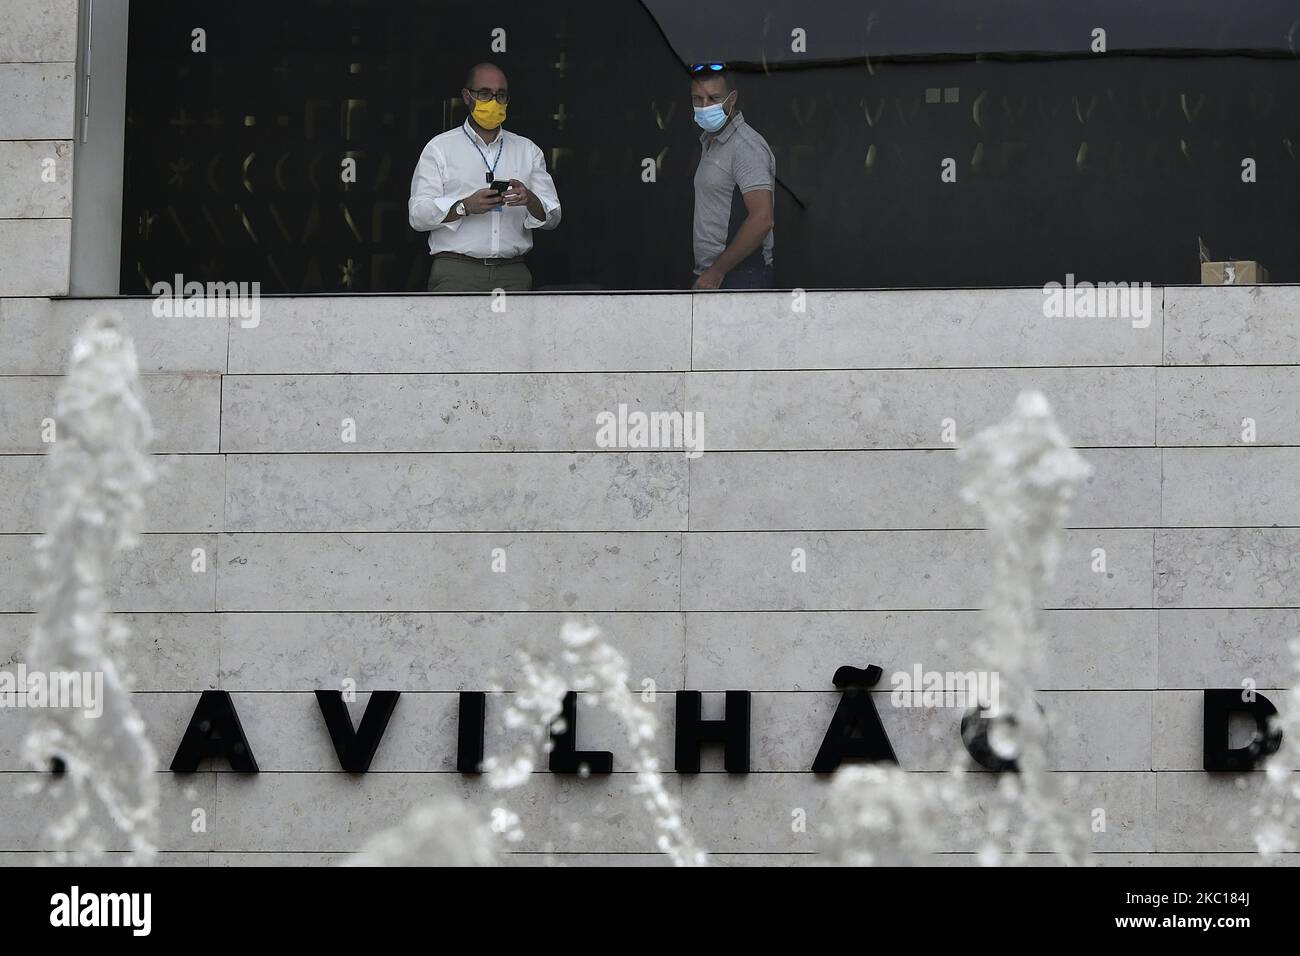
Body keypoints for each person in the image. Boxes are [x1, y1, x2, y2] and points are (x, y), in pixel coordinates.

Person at [408, 63, 561, 292]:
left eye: (500, 95)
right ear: (467, 96)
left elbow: (553, 216)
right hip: (457, 271)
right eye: (485, 94)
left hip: (513, 273)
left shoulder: (527, 150)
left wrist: (530, 199)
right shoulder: (440, 148)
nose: (493, 101)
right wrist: (464, 207)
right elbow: (417, 216)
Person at [689, 63, 775, 290]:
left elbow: (762, 219)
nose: (705, 106)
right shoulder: (710, 142)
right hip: (714, 275)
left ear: (732, 98)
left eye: (714, 98)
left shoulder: (745, 146)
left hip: (740, 277)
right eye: (697, 99)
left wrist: (716, 272)